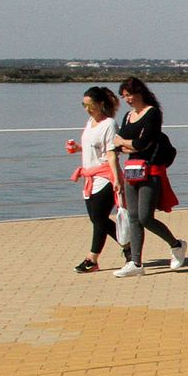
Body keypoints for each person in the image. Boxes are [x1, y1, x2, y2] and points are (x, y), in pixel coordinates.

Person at [111, 77, 185, 278]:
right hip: (131, 171)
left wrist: (127, 143)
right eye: (124, 96)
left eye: (129, 95)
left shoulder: (152, 113)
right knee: (133, 217)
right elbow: (119, 145)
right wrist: (128, 143)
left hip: (151, 172)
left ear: (140, 93)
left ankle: (176, 245)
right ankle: (135, 262)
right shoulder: (127, 117)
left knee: (145, 217)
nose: (127, 99)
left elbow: (141, 144)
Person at [70, 86, 125, 272]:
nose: (87, 109)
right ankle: (129, 245)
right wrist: (78, 148)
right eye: (84, 105)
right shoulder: (90, 122)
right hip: (89, 177)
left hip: (105, 176)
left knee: (99, 219)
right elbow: (94, 147)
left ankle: (91, 259)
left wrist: (117, 179)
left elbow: (111, 154)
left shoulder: (110, 124)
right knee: (97, 219)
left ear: (100, 104)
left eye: (90, 105)